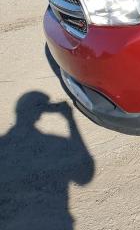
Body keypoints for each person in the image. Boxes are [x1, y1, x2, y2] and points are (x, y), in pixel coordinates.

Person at [0, 92, 95, 230]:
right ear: (39, 115)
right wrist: (70, 120)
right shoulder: (56, 143)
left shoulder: (3, 145)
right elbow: (85, 177)